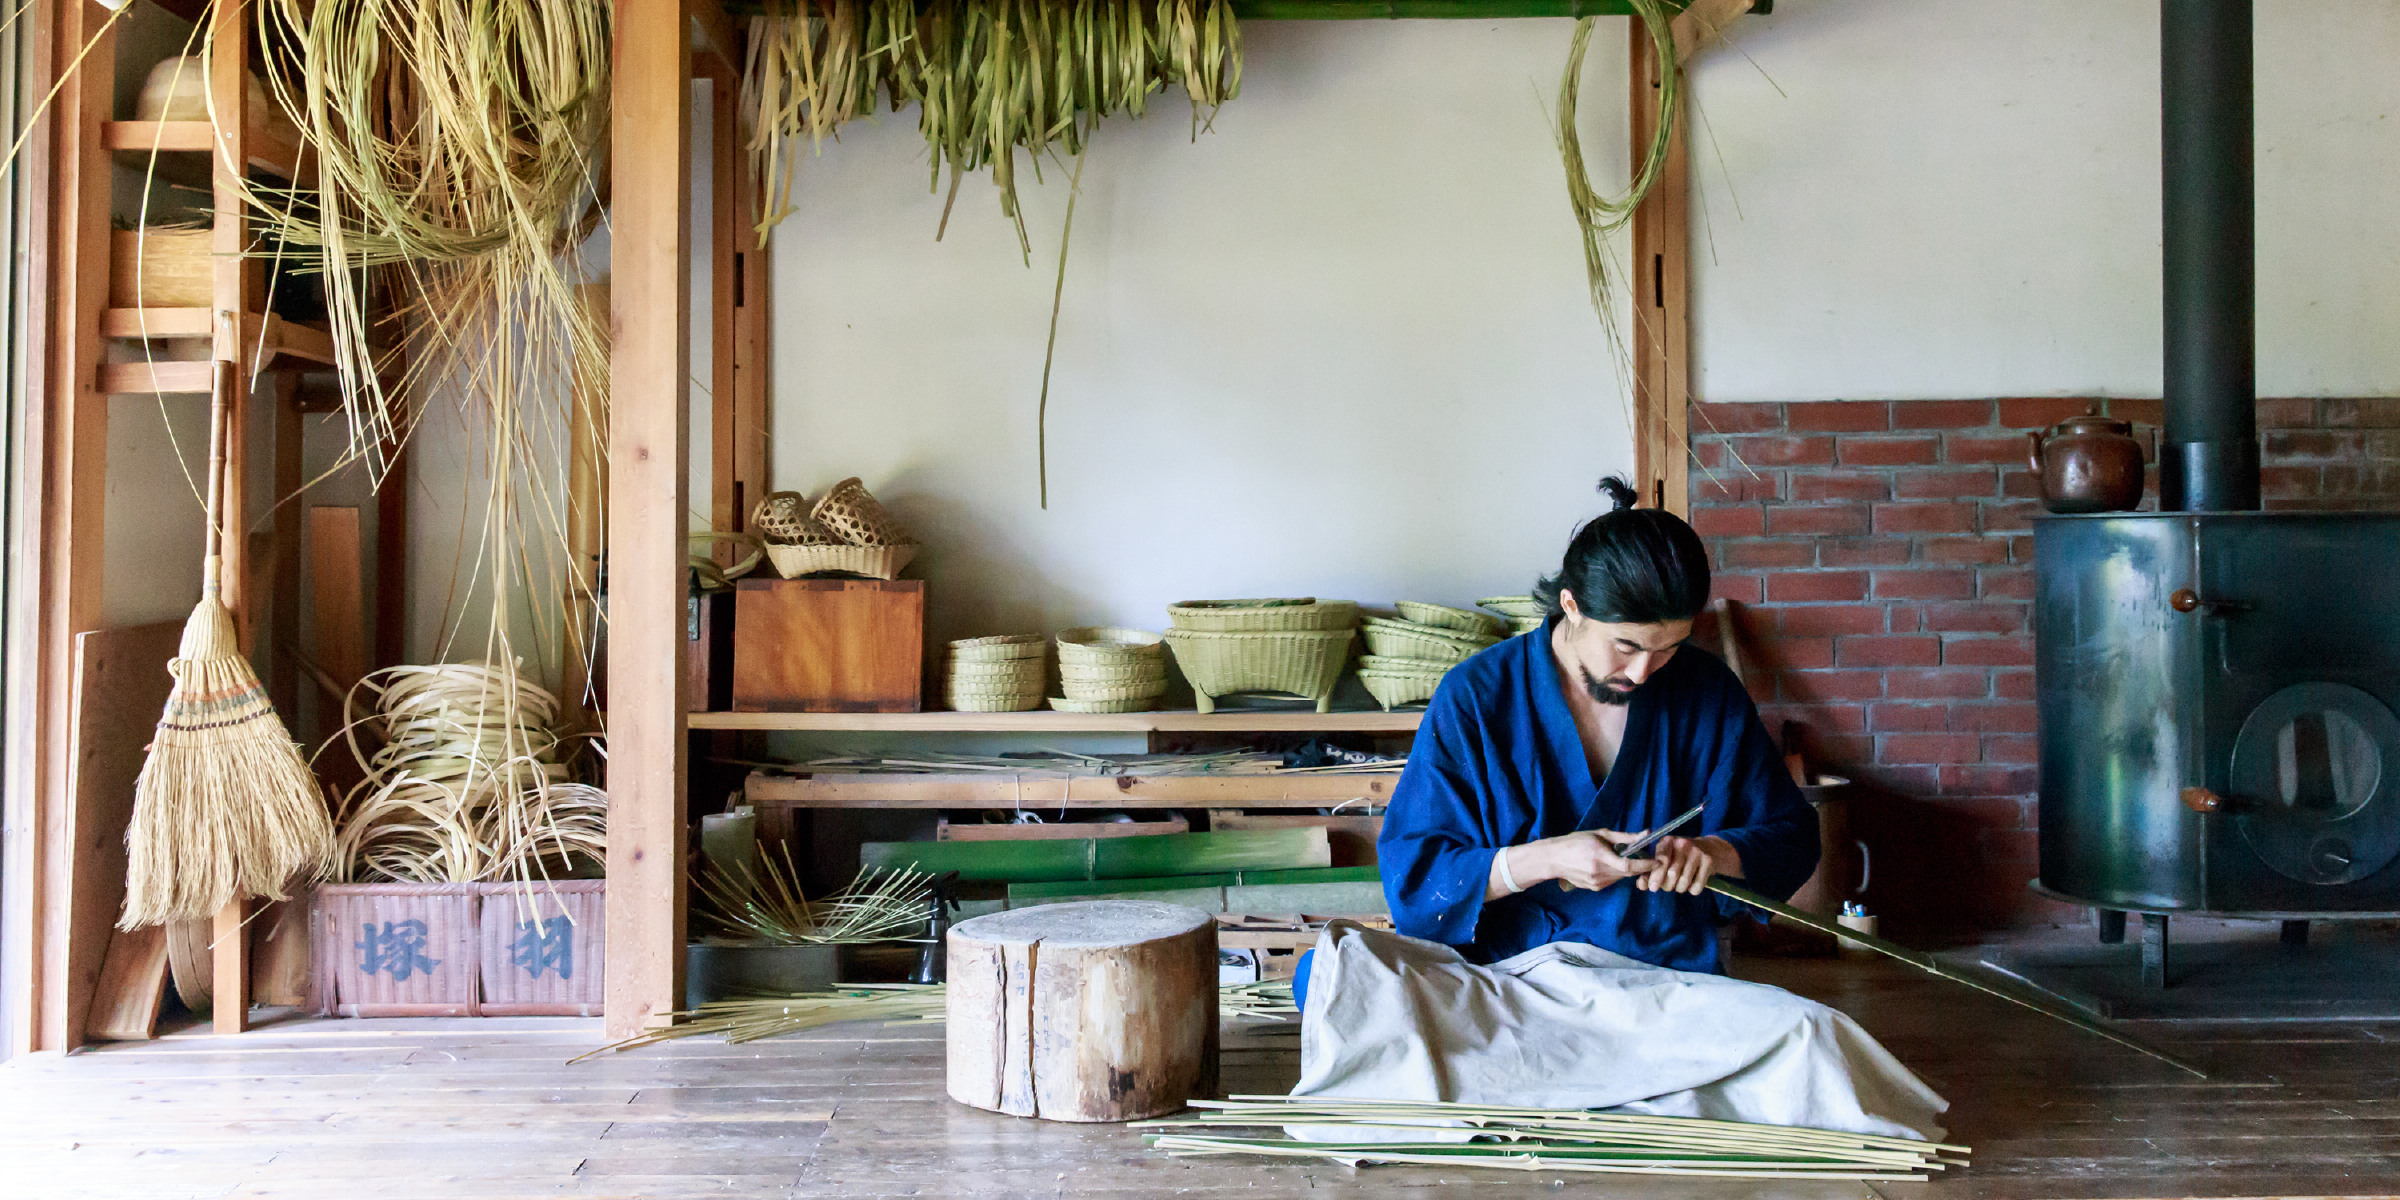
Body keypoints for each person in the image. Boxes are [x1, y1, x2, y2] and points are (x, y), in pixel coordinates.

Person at [1292, 476, 1819, 1008]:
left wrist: (1717, 853)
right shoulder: (1479, 695)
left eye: (1668, 650)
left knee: (1811, 1034)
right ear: (1570, 604)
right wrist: (1541, 860)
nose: (1642, 671)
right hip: (1502, 982)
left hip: (1656, 980)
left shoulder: (1706, 692)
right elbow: (1417, 875)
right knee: (1326, 976)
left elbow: (1790, 835)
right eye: (1625, 646)